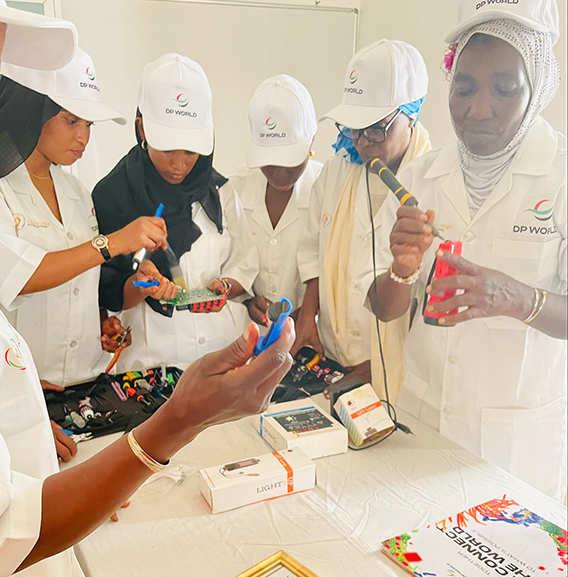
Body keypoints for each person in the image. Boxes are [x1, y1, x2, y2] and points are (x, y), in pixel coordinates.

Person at [0, 3, 294, 575]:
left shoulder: (82, 193)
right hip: (55, 454)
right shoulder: (0, 198)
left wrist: (109, 311)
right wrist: (175, 422)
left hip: (69, 401)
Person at [362, 0, 566, 501]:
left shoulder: (560, 176)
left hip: (516, 447)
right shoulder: (418, 178)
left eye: (504, 88)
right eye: (465, 86)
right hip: (423, 422)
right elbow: (382, 308)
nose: (478, 108)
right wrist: (401, 271)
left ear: (535, 86)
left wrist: (517, 298)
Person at [0, 47, 175, 463]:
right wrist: (112, 243)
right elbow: (23, 276)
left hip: (89, 381)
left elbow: (78, 280)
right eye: (70, 120)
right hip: (29, 391)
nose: (83, 137)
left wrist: (99, 320)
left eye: (88, 123)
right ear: (30, 111)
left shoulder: (77, 193)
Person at [93, 53, 258, 372]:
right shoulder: (111, 196)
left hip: (220, 355)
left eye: (191, 150)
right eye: (168, 148)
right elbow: (103, 288)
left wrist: (226, 286)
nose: (180, 164)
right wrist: (142, 285)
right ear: (142, 128)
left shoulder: (219, 192)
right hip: (151, 364)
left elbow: (244, 261)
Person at [294, 39, 431, 394]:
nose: (362, 143)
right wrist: (308, 316)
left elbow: (427, 295)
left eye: (375, 128)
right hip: (331, 359)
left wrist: (385, 359)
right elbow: (312, 253)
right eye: (352, 128)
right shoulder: (336, 172)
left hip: (396, 373)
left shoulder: (434, 184)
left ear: (411, 114)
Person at [222, 74, 322, 326]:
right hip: (247, 339)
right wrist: (247, 299)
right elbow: (229, 263)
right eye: (267, 162)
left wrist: (311, 309)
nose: (278, 174)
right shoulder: (234, 188)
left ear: (312, 140)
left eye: (290, 162)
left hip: (312, 337)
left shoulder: (327, 189)